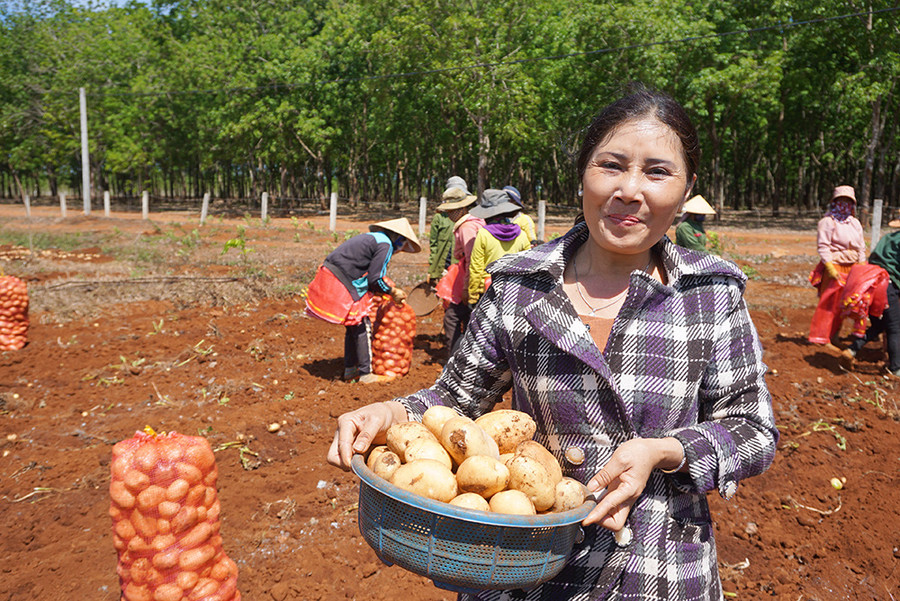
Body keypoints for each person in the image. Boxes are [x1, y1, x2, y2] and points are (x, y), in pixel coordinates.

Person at [327, 86, 777, 600]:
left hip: (657, 569)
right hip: (519, 569)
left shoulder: (709, 292)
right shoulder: (520, 283)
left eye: (657, 171)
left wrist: (666, 450)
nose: (630, 190)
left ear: (686, 186)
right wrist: (392, 413)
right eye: (611, 165)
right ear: (583, 172)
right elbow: (454, 402)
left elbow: (753, 431)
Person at [305, 217, 421, 384]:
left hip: (334, 274)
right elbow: (375, 278)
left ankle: (350, 370)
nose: (401, 249)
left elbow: (368, 273)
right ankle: (366, 374)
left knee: (353, 325)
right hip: (343, 279)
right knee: (363, 324)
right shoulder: (385, 244)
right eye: (403, 244)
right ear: (398, 238)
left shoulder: (374, 238)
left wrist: (380, 290)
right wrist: (391, 291)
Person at [841, 211, 900, 376]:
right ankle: (896, 369)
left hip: (870, 283)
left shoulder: (887, 239)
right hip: (887, 285)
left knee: (879, 325)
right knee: (895, 328)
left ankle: (852, 350)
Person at [808, 185, 866, 347]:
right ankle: (822, 337)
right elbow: (823, 247)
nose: (844, 205)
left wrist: (861, 265)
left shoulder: (854, 223)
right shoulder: (827, 222)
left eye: (848, 201)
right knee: (829, 303)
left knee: (846, 303)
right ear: (834, 202)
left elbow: (861, 246)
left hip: (853, 267)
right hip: (835, 266)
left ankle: (834, 335)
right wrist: (830, 267)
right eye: (841, 201)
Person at [434, 186, 481, 353]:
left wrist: (468, 288)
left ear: (462, 209)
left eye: (452, 210)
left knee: (452, 318)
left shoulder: (466, 227)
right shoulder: (474, 222)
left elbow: (472, 259)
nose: (449, 215)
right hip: (474, 277)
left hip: (471, 279)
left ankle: (454, 360)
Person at [467, 189, 532, 306]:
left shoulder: (483, 234)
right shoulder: (521, 234)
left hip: (488, 291)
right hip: (513, 290)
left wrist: (473, 296)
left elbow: (476, 268)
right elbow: (528, 265)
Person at [427, 177, 471, 285]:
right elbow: (434, 245)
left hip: (462, 268)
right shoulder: (439, 218)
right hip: (443, 266)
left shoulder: (470, 219)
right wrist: (432, 268)